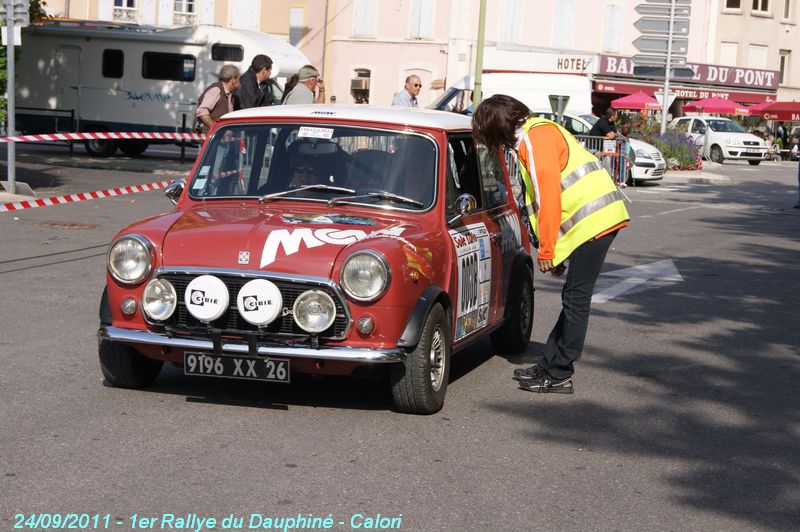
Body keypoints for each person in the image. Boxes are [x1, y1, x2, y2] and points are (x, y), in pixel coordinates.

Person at [472, 94, 630, 394]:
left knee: (576, 299)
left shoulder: (535, 137)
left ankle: (558, 373)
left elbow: (548, 198)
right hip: (594, 221)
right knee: (573, 297)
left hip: (596, 221)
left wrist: (547, 250)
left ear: (497, 127)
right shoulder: (533, 134)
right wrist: (556, 251)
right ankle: (551, 363)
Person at [195, 64, 241, 133]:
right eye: (238, 79)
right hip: (209, 138)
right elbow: (202, 112)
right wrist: (216, 128)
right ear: (233, 80)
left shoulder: (229, 94)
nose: (239, 82)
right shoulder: (216, 90)